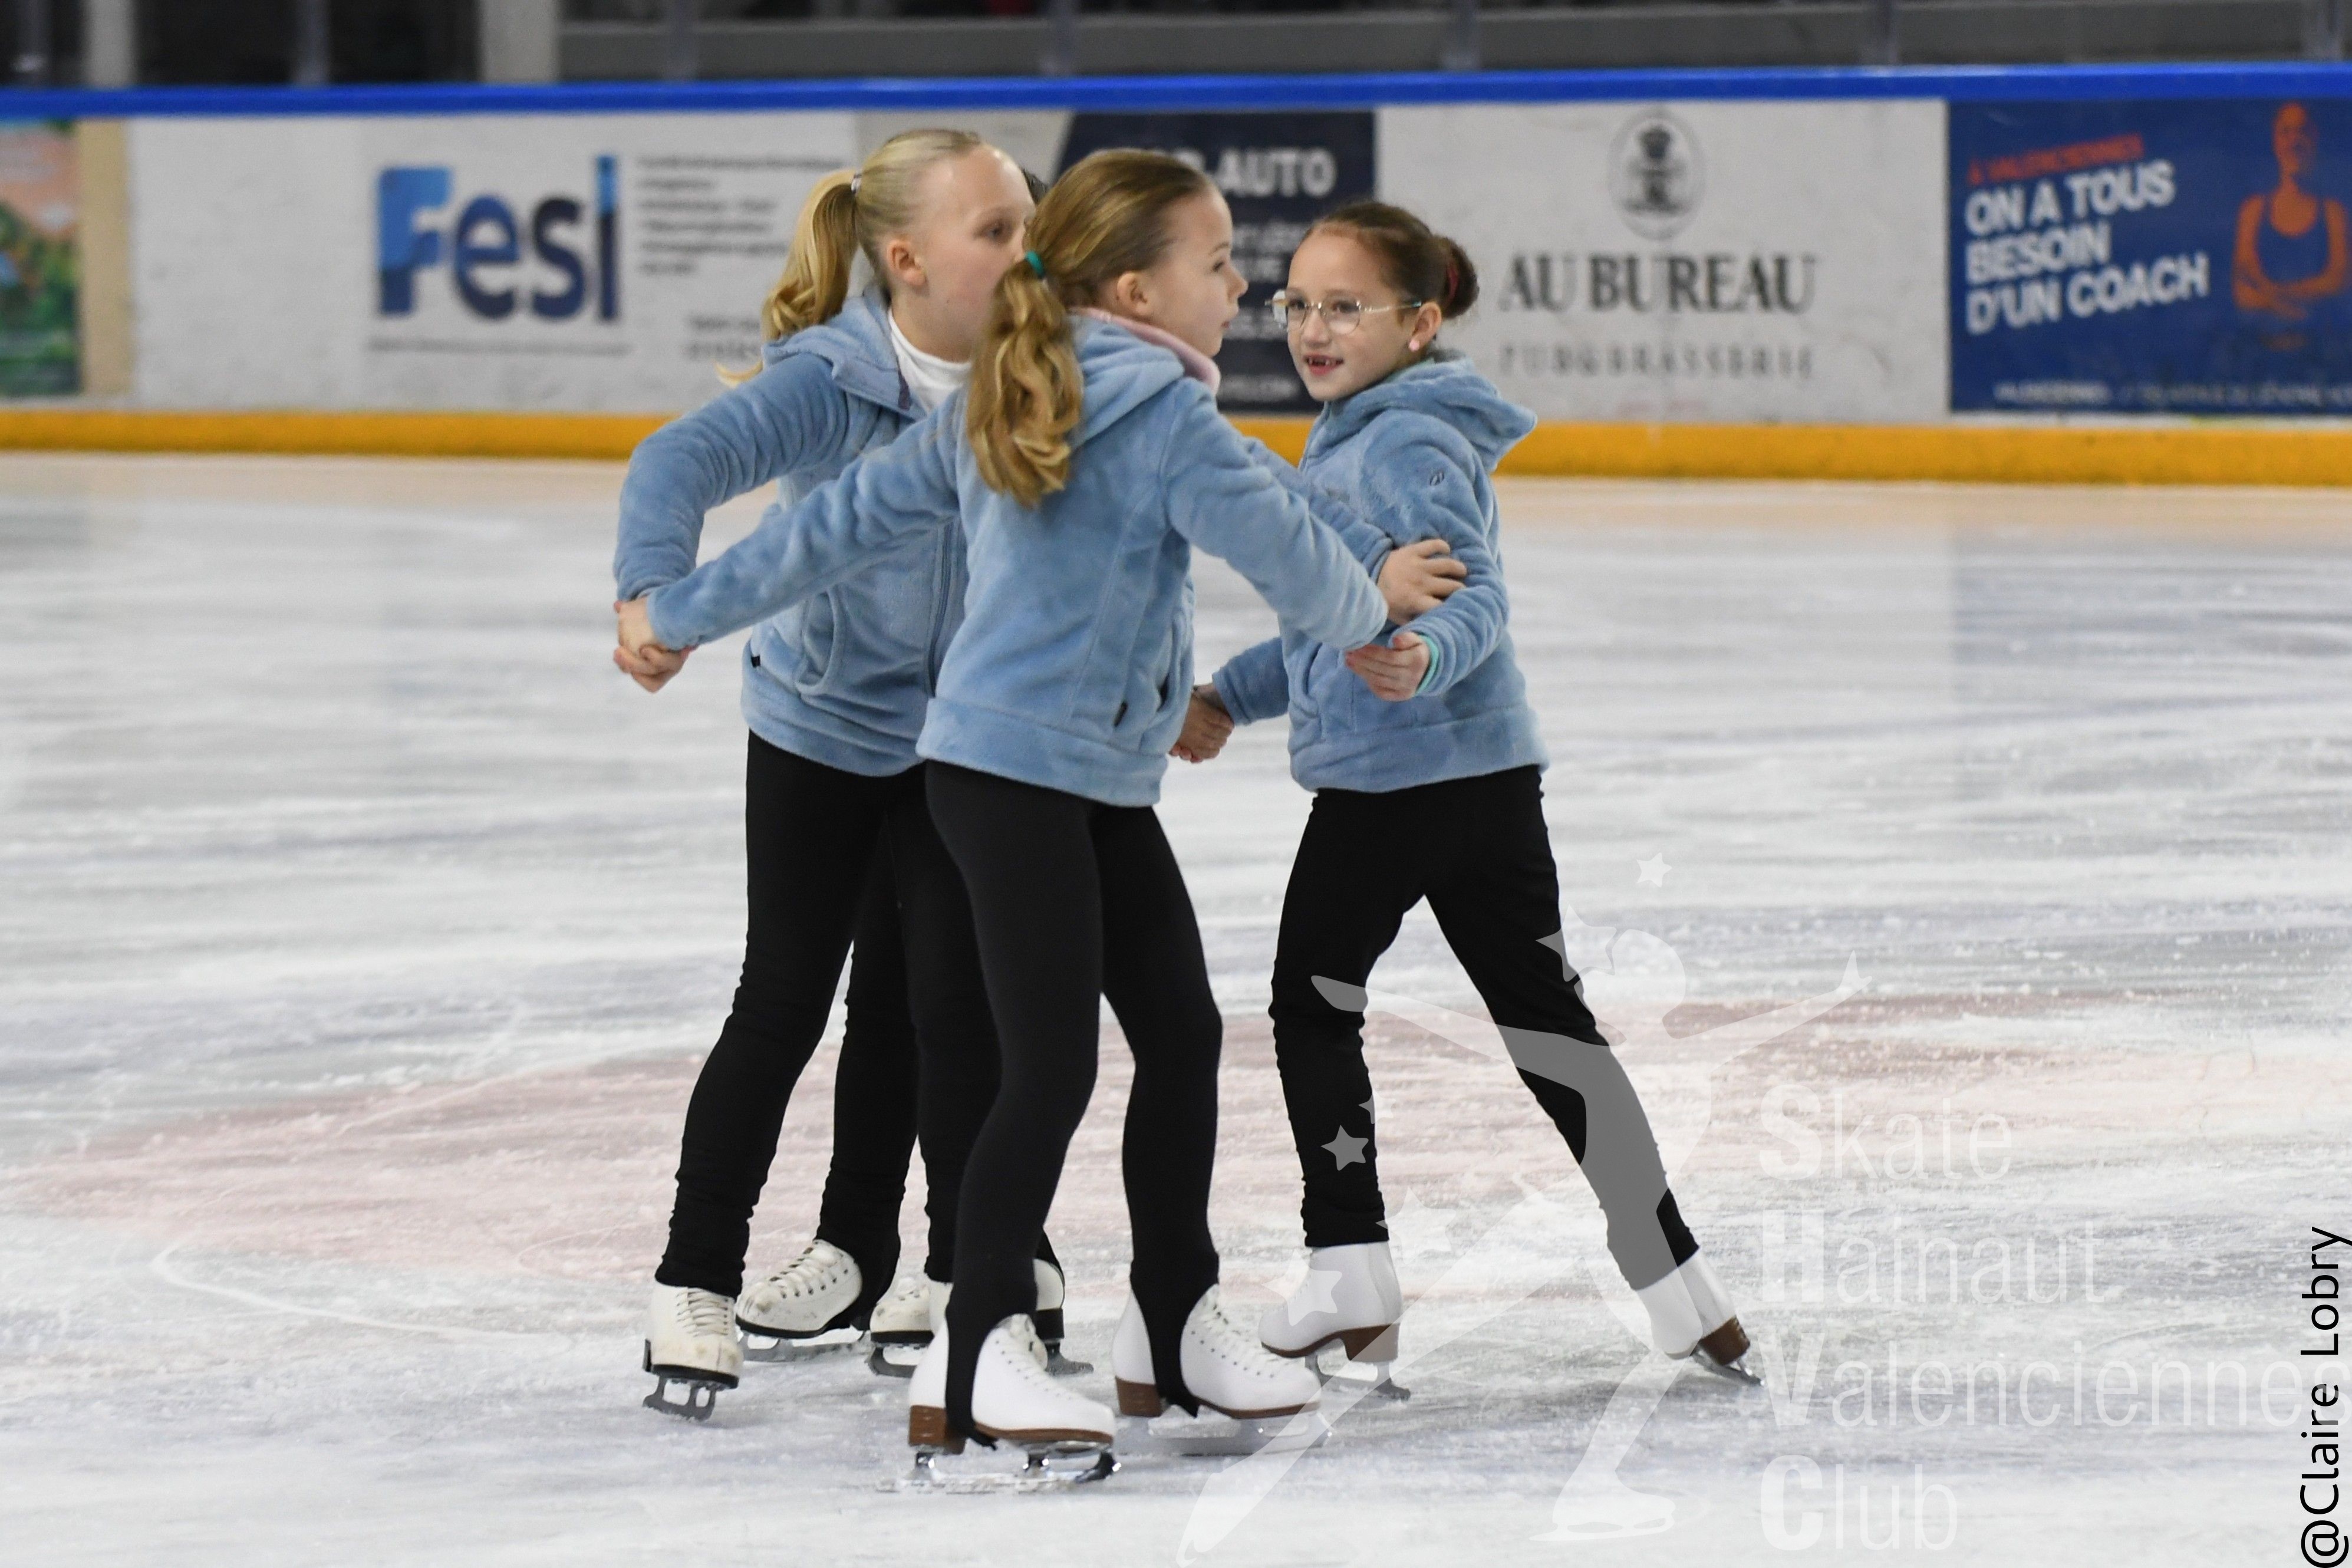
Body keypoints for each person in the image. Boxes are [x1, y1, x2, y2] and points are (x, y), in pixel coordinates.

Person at [617, 150, 1464, 1464]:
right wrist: (1368, 618)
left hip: (1074, 777)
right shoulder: (1150, 413)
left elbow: (824, 533)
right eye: (1218, 263)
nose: (1241, 289)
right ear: (1136, 290)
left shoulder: (1028, 385)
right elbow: (1286, 546)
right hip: (1012, 778)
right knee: (1044, 1065)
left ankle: (1170, 1321)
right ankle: (977, 1347)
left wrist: (681, 614)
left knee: (1177, 1032)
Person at [1184, 200, 1757, 1389]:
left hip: (1395, 786)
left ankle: (1350, 1268)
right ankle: (1675, 1279)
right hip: (1487, 785)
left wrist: (1429, 653)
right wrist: (1236, 694)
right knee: (1548, 1023)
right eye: (1298, 304)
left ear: (1418, 322)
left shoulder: (1400, 442)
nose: (1312, 329)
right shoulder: (1368, 430)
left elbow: (1474, 595)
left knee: (1311, 1003)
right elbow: (1333, 623)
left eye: (1346, 307)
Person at [617, 129, 1071, 1419]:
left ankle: (958, 1263)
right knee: (784, 1001)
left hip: (965, 743)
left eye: (1030, 226)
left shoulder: (1047, 372)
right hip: (817, 733)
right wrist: (651, 592)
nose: (1027, 252)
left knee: (947, 1010)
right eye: (996, 231)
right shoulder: (833, 379)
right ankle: (693, 1277)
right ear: (906, 259)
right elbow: (677, 462)